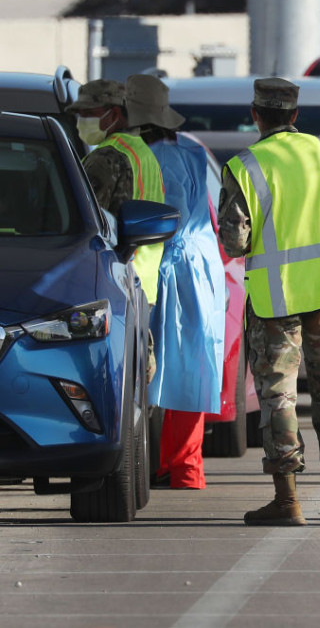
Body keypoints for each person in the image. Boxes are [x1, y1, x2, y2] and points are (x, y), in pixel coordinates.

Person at [219, 77, 320, 526]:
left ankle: (288, 502)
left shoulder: (245, 166)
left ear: (255, 114)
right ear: (295, 115)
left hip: (275, 301)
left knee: (279, 398)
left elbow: (234, 240)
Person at [126, 74, 225, 490]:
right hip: (196, 266)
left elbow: (170, 218)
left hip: (171, 265)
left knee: (167, 367)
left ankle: (183, 466)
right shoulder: (189, 149)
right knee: (187, 366)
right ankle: (179, 463)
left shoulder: (155, 157)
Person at [67, 78, 166, 379]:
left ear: (114, 113)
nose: (82, 120)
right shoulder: (144, 153)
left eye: (89, 112)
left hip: (113, 284)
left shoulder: (106, 158)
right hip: (142, 283)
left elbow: (83, 225)